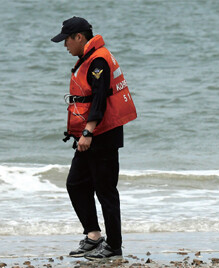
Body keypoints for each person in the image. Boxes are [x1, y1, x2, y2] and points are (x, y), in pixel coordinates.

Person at [51, 16, 137, 259]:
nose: (65, 46)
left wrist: (87, 132)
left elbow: (99, 99)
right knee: (76, 184)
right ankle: (93, 236)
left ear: (79, 37)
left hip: (102, 134)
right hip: (90, 134)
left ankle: (114, 247)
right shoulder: (89, 59)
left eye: (66, 40)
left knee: (105, 190)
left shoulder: (98, 60)